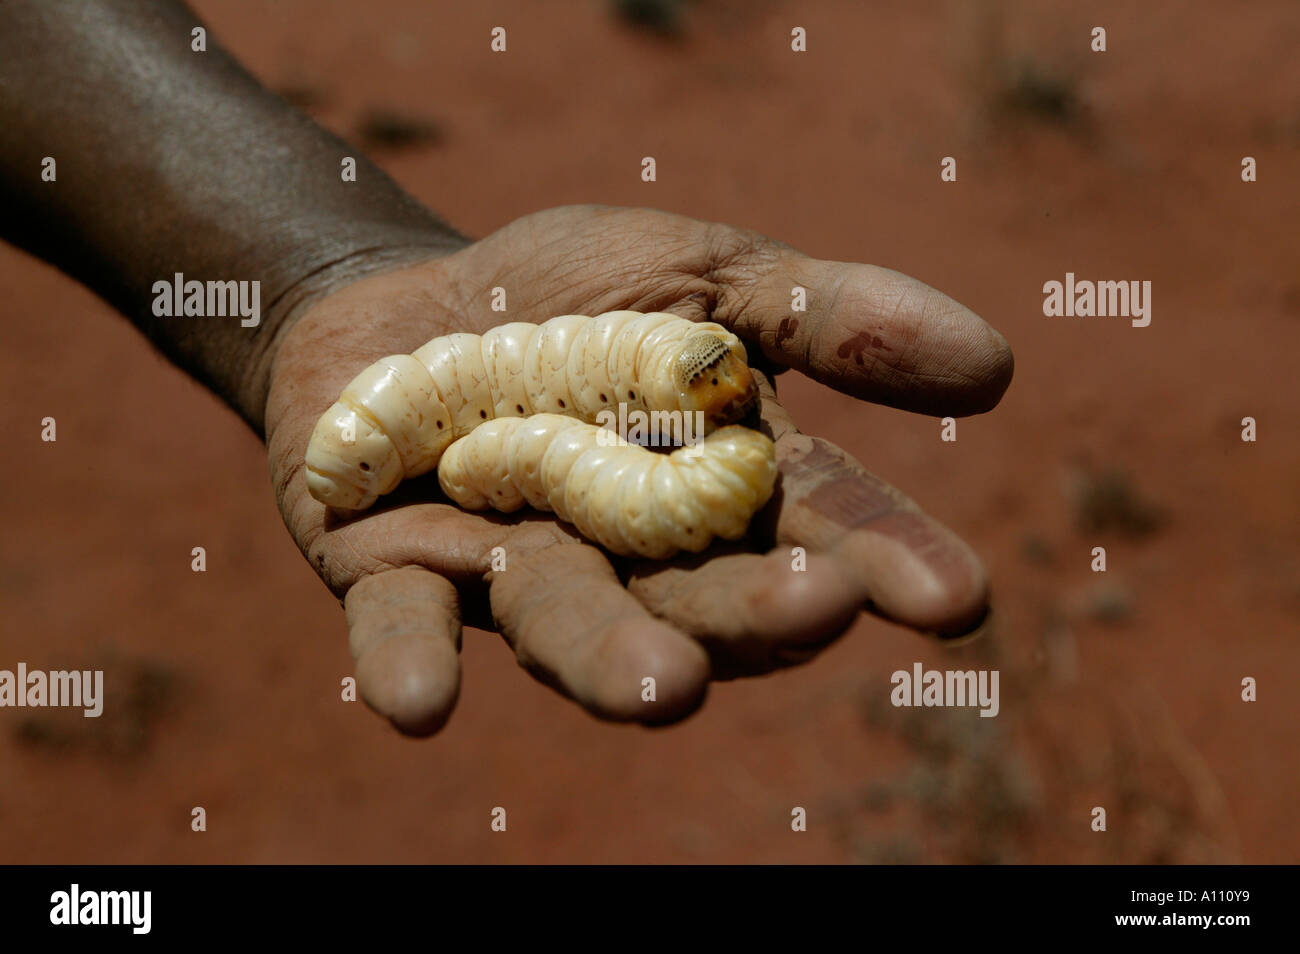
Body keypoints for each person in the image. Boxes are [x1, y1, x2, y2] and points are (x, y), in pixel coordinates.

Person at [0, 1, 1013, 736]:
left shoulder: (610, 388)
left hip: (490, 426)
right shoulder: (552, 404)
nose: (718, 393)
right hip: (451, 428)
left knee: (528, 438)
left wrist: (315, 267)